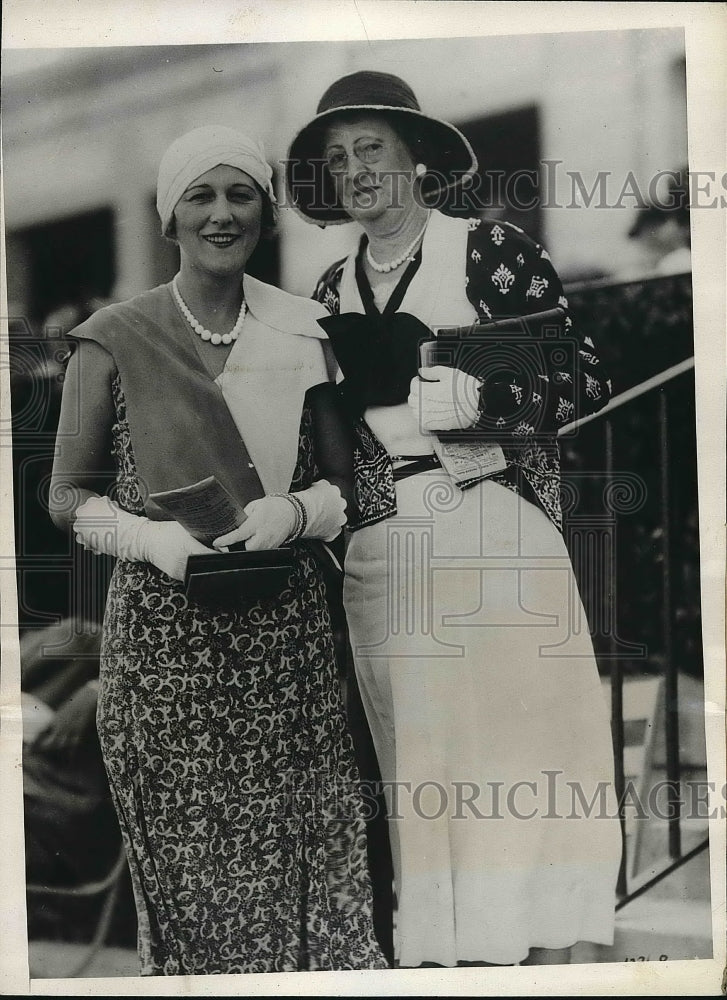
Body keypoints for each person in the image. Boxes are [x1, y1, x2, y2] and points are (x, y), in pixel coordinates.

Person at [286, 71, 623, 968]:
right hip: (384, 548)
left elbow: (584, 377)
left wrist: (483, 392)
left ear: (418, 157)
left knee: (515, 758)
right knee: (421, 770)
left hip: (488, 521)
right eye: (337, 156)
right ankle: (449, 962)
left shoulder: (483, 249)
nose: (354, 169)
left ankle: (544, 958)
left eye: (370, 148)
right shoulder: (328, 283)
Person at [50, 125, 386, 975]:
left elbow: (347, 485)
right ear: (169, 216)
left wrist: (296, 511)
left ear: (265, 213)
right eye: (199, 195)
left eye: (240, 194)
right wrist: (146, 538)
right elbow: (66, 496)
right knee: (195, 881)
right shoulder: (112, 337)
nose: (222, 213)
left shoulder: (304, 328)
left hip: (287, 649)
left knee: (306, 866)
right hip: (166, 654)